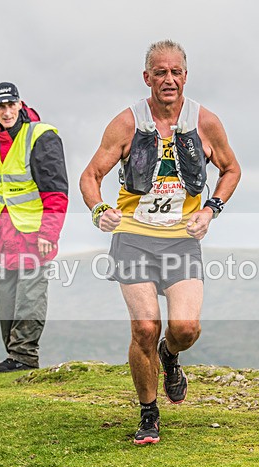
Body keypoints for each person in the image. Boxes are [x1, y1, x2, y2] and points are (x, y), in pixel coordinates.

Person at [80, 40, 241, 444]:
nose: (168, 79)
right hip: (133, 237)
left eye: (176, 72)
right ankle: (148, 412)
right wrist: (100, 211)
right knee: (145, 327)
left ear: (185, 75)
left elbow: (231, 169)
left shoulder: (205, 122)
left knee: (184, 328)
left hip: (181, 240)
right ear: (147, 77)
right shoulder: (127, 122)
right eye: (160, 72)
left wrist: (211, 209)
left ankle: (171, 355)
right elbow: (90, 176)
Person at [0, 82, 69, 373]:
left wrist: (49, 233)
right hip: (3, 231)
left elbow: (55, 191)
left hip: (35, 232)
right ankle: (13, 356)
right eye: (1, 106)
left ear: (20, 104)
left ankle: (24, 357)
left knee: (30, 294)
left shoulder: (41, 136)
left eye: (12, 105)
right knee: (6, 295)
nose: (7, 111)